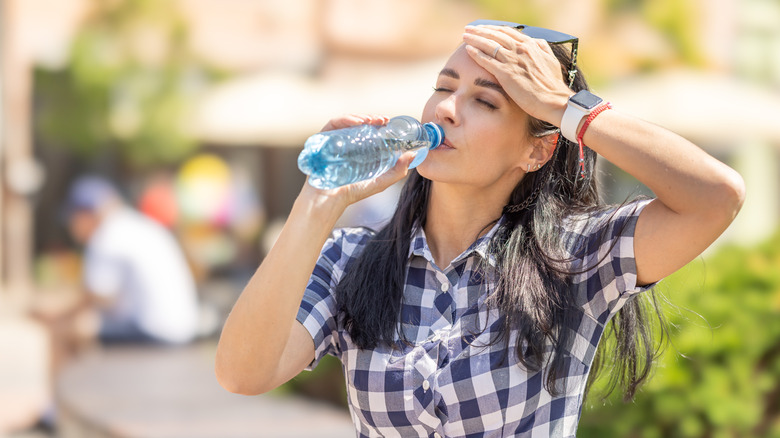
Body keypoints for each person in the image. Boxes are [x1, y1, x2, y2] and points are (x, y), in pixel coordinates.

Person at [215, 20, 745, 437]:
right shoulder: (353, 260)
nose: (446, 109)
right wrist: (319, 202)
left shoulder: (575, 256)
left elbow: (716, 199)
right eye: (443, 88)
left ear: (536, 149)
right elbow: (243, 373)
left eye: (484, 101)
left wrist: (565, 109)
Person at [65, 175, 200, 345]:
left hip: (155, 332)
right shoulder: (135, 224)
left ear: (85, 216)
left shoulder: (108, 234)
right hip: (182, 329)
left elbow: (99, 295)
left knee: (79, 329)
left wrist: (58, 315)